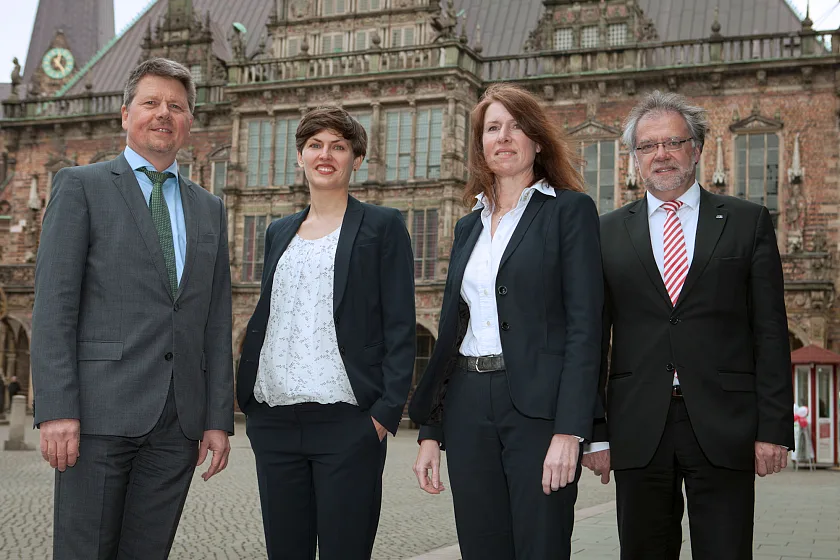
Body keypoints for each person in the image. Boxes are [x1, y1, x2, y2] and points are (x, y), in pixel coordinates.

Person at [31, 57, 234, 560]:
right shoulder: (82, 185)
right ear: (126, 115)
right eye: (151, 103)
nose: (163, 114)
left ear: (190, 122)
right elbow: (55, 304)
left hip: (178, 422)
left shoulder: (209, 207)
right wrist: (56, 408)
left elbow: (215, 317)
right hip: (98, 415)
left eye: (176, 107)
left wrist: (217, 417)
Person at [584, 90, 794, 559]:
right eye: (648, 146)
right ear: (635, 158)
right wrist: (594, 430)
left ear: (696, 148)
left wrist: (774, 428)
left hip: (726, 424)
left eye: (673, 142)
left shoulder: (746, 221)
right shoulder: (605, 232)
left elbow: (770, 332)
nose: (661, 154)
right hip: (638, 426)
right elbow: (593, 340)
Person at [409, 83, 604, 560]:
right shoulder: (467, 225)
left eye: (516, 126)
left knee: (541, 544)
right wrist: (433, 430)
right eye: (493, 128)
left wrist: (571, 430)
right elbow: (453, 330)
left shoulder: (570, 211)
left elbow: (587, 329)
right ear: (480, 145)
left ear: (537, 140)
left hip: (538, 409)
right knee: (481, 545)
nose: (504, 136)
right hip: (469, 404)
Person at [236, 106, 416, 560]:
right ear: (300, 157)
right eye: (315, 145)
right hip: (276, 422)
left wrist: (383, 414)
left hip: (348, 421)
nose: (325, 155)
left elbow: (399, 323)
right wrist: (251, 409)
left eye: (339, 146)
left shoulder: (383, 225)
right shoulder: (278, 231)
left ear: (357, 160)